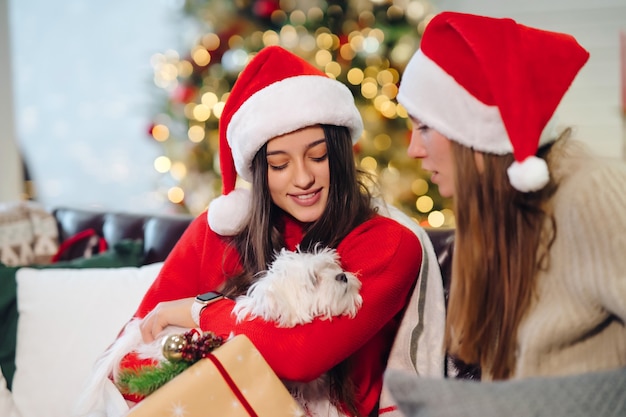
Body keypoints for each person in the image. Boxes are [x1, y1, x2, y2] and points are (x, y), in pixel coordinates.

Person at [85, 45, 431, 417]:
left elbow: (300, 357)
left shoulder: (389, 243)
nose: (303, 178)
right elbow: (130, 359)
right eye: (279, 164)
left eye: (318, 156)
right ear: (259, 173)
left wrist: (198, 311)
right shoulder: (216, 232)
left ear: (341, 153)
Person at [396, 11, 626, 381]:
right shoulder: (497, 215)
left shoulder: (590, 194)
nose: (413, 151)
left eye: (424, 126)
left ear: (474, 135)